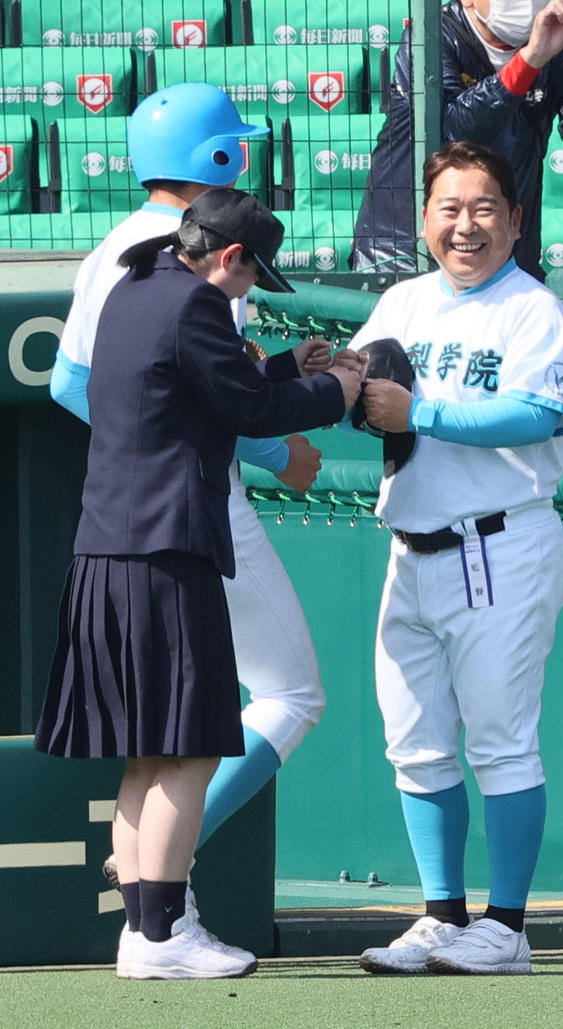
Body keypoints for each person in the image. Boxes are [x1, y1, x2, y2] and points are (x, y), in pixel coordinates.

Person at [34, 188, 362, 979]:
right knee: (188, 750)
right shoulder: (200, 306)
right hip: (168, 550)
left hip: (106, 551)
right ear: (228, 257)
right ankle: (164, 933)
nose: (252, 288)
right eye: (254, 273)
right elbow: (246, 410)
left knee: (145, 753)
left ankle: (145, 932)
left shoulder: (134, 285)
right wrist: (337, 391)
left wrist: (288, 366)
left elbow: (198, 392)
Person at [347, 140, 563, 976]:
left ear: (515, 221)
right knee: (415, 741)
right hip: (409, 547)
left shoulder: (532, 309)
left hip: (498, 545)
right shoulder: (403, 300)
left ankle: (507, 926)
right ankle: (443, 916)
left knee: (502, 742)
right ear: (423, 219)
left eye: (485, 208)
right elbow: (359, 379)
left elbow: (539, 413)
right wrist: (321, 378)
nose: (466, 225)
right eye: (449, 207)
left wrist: (423, 408)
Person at [441, 0, 563, 279]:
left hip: (511, 250)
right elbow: (457, 132)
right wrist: (531, 58)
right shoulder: (433, 37)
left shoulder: (561, 34)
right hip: (411, 253)